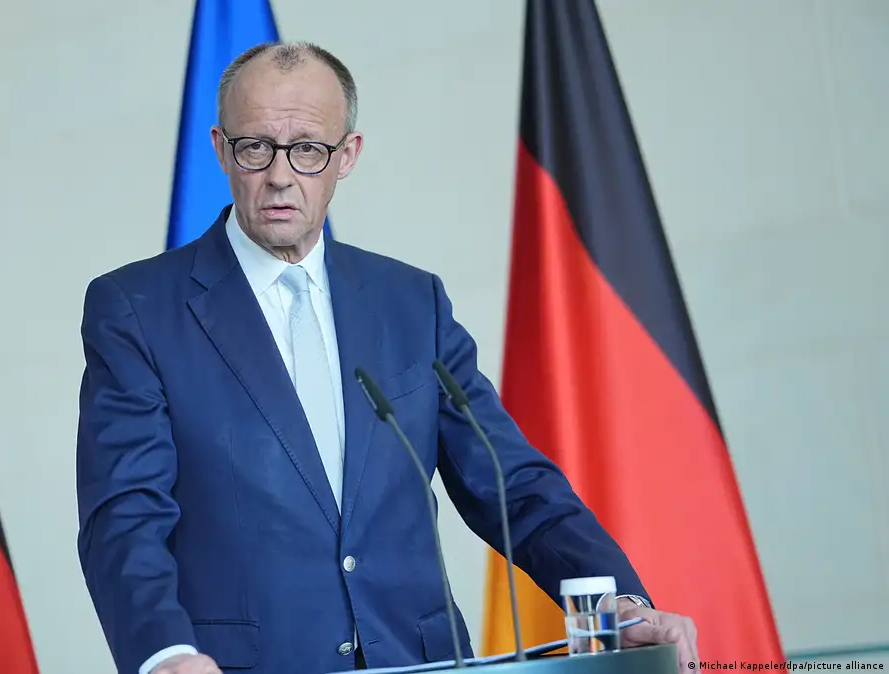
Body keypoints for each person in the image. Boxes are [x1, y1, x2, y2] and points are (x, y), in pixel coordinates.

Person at [76, 42, 698, 674]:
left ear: (347, 155)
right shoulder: (137, 309)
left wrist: (621, 604)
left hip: (420, 661)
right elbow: (124, 514)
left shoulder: (411, 302)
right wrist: (165, 653)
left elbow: (510, 483)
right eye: (256, 147)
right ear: (220, 148)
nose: (281, 175)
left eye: (308, 149)